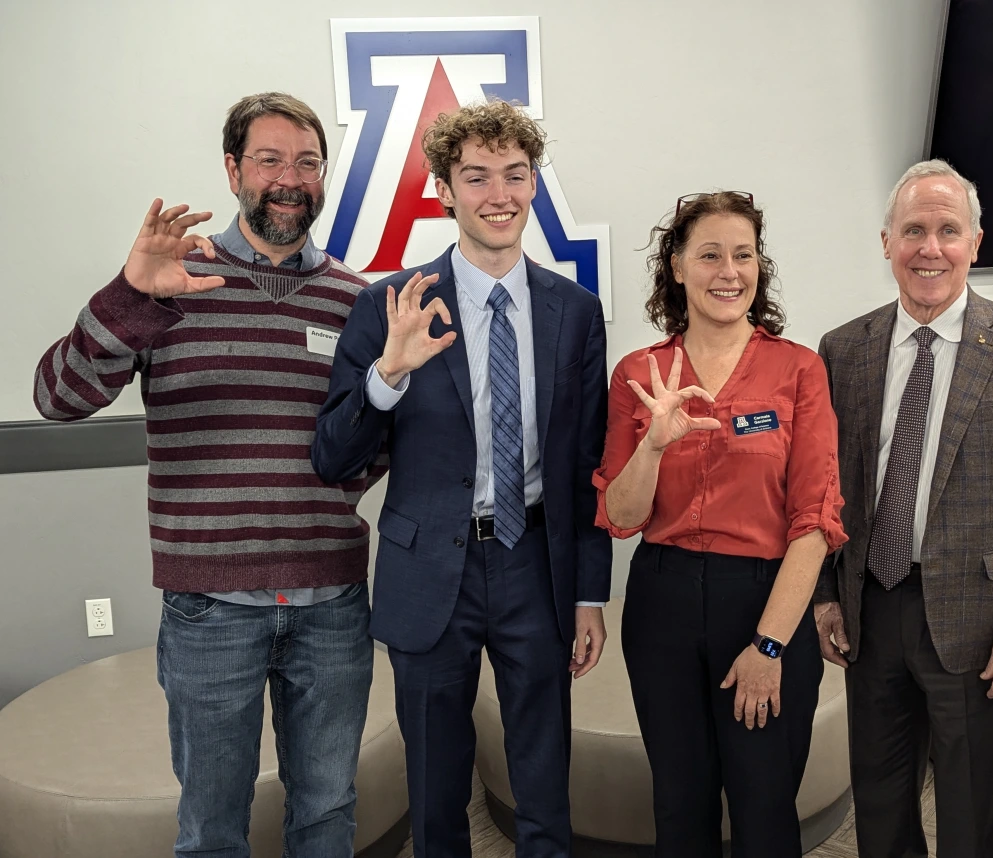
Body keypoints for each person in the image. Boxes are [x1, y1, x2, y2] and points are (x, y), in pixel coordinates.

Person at [33, 92, 382, 857]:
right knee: (212, 825)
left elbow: (375, 443)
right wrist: (128, 298)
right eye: (269, 159)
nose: (289, 178)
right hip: (210, 610)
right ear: (232, 170)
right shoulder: (170, 283)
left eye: (307, 162)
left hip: (332, 607)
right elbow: (56, 399)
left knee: (327, 813)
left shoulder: (359, 301)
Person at [311, 99, 611, 858]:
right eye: (476, 177)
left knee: (544, 780)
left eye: (515, 174)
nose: (499, 194)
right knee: (436, 789)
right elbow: (332, 457)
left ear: (534, 184)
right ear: (444, 189)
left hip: (536, 564)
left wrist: (588, 592)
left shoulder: (575, 311)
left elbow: (584, 465)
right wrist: (387, 374)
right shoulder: (392, 305)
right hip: (429, 570)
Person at [813, 159, 993, 858]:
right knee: (879, 795)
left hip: (982, 624)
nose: (928, 248)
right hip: (872, 611)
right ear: (885, 243)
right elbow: (825, 487)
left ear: (975, 242)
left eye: (946, 231)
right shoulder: (844, 351)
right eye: (912, 231)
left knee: (978, 809)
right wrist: (825, 596)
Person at [592, 191, 847, 858]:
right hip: (662, 601)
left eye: (744, 254)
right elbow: (620, 518)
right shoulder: (639, 376)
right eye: (709, 254)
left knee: (764, 807)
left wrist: (768, 649)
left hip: (765, 602)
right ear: (676, 267)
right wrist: (653, 443)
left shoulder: (798, 370)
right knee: (680, 804)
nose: (729, 270)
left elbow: (815, 523)